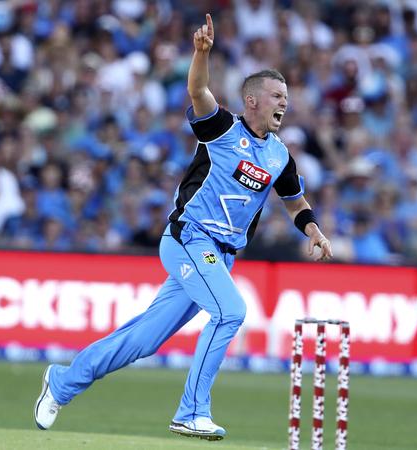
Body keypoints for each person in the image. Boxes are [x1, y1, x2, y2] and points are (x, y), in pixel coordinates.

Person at [34, 13, 333, 441]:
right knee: (231, 312)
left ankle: (61, 383)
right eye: (276, 95)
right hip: (189, 238)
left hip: (219, 257)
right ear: (252, 101)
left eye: (286, 96)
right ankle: (192, 411)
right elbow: (197, 90)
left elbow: (295, 202)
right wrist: (201, 53)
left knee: (143, 340)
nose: (284, 102)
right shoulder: (224, 129)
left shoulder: (280, 155)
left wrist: (314, 231)